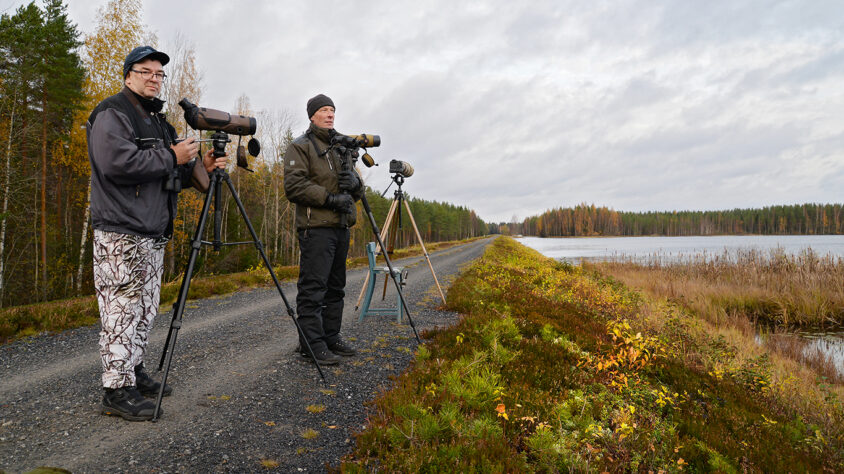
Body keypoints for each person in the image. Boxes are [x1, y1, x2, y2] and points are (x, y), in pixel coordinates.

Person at [87, 46, 227, 421]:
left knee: (144, 310)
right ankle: (116, 390)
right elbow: (117, 164)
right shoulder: (113, 112)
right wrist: (172, 156)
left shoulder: (158, 120)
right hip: (121, 231)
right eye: (145, 71)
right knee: (121, 310)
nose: (154, 77)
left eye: (159, 73)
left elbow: (171, 176)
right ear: (128, 75)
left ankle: (132, 371)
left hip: (152, 232)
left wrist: (202, 167)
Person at [283, 94, 364, 365]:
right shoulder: (301, 146)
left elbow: (357, 190)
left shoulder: (342, 148)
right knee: (313, 289)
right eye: (324, 110)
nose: (330, 114)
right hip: (315, 227)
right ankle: (310, 344)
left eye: (332, 110)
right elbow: (294, 186)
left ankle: (331, 336)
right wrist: (329, 199)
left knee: (336, 288)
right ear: (312, 116)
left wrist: (353, 184)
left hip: (341, 226)